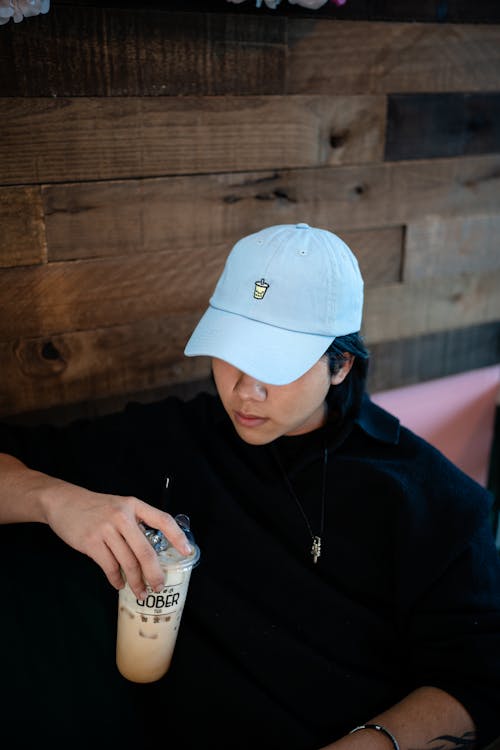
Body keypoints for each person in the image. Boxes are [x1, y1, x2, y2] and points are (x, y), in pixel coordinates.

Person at [0, 223, 499, 750]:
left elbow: (481, 679)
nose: (244, 389)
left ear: (340, 364)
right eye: (232, 351)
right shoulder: (173, 438)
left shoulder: (435, 500)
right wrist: (55, 500)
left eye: (275, 364)